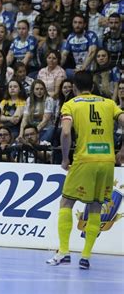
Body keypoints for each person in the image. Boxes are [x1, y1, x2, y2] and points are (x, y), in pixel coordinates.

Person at [46, 71, 124, 270]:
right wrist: (121, 151)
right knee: (96, 206)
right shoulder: (109, 103)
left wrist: (65, 159)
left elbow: (65, 133)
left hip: (84, 160)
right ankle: (86, 256)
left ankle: (64, 251)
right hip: (107, 160)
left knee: (66, 202)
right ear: (93, 85)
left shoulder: (71, 104)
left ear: (73, 87)